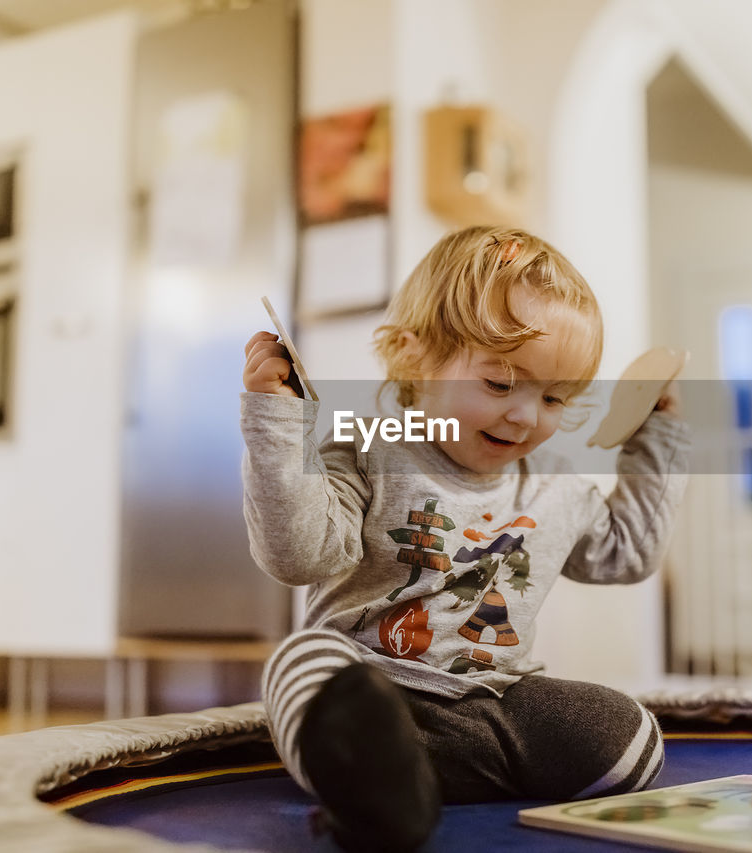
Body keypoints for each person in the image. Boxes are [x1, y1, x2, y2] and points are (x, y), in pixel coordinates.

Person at [240, 225, 689, 851]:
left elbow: (625, 553)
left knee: (629, 736)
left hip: (490, 702)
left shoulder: (557, 486)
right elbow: (298, 556)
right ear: (412, 356)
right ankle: (382, 767)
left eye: (555, 397)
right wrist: (279, 424)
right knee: (302, 663)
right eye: (501, 385)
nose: (527, 416)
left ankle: (404, 779)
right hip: (372, 688)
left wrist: (657, 439)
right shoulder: (367, 450)